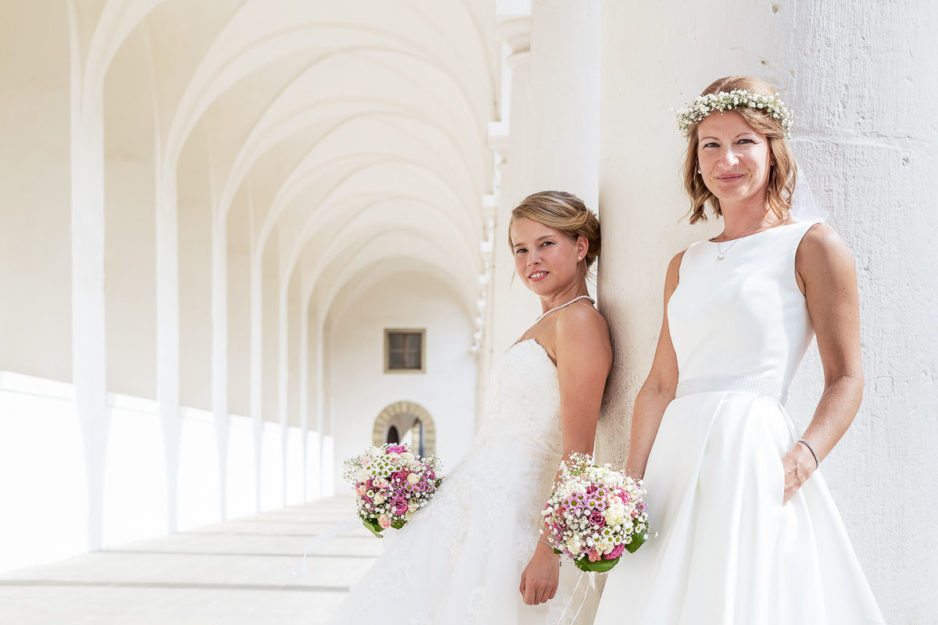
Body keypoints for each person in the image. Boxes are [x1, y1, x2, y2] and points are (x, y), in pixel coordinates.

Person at [593, 76, 885, 624]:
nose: (727, 159)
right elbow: (659, 385)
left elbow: (846, 377)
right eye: (711, 144)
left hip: (750, 450)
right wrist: (629, 487)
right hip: (674, 459)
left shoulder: (813, 244)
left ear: (773, 150)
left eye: (744, 141)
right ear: (696, 160)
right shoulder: (686, 263)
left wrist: (803, 459)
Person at [328, 191, 611, 624]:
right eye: (520, 248)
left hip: (514, 516)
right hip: (474, 503)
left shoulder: (578, 322)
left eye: (545, 243)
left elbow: (577, 451)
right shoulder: (545, 323)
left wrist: (549, 548)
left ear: (580, 246)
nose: (531, 259)